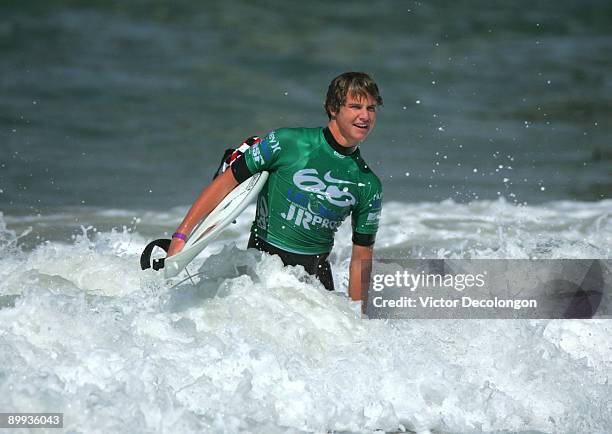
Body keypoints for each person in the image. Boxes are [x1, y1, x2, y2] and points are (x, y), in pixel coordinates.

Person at [167, 72, 383, 304]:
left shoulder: (368, 184)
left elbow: (361, 258)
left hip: (314, 282)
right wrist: (182, 235)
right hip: (260, 268)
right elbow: (227, 182)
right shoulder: (287, 143)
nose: (365, 116)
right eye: (355, 106)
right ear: (333, 107)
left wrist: (357, 320)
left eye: (371, 108)